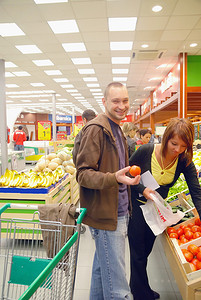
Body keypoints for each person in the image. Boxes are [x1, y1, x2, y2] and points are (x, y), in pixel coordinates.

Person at [76, 82, 141, 300]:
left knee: (101, 273)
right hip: (107, 215)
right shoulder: (96, 129)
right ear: (104, 102)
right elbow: (83, 174)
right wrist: (114, 178)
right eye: (116, 101)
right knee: (118, 286)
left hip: (118, 210)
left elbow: (115, 169)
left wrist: (126, 179)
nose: (121, 106)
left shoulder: (117, 128)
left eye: (124, 100)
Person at [128, 117, 201, 300]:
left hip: (156, 211)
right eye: (174, 143)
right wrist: (141, 189)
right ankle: (139, 293)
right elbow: (126, 174)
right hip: (136, 207)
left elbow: (196, 192)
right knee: (137, 253)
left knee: (146, 251)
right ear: (166, 138)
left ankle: (141, 286)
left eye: (183, 146)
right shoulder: (146, 151)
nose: (177, 150)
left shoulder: (184, 161)